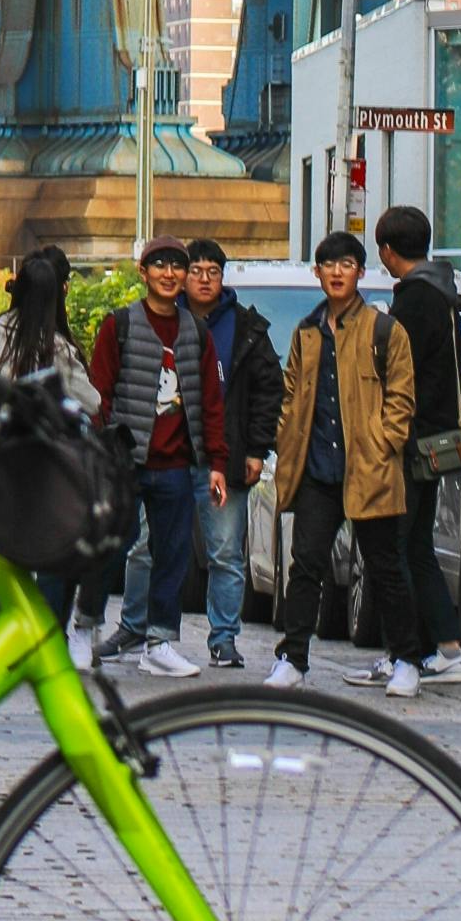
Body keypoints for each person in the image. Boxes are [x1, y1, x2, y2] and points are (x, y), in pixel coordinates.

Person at [264, 232, 420, 696]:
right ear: (318, 273)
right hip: (316, 467)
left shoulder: (384, 329)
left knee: (384, 565)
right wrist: (286, 433)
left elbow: (402, 398)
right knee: (305, 563)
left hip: (368, 466)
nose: (336, 272)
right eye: (328, 265)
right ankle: (293, 659)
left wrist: (382, 443)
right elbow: (290, 392)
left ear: (359, 272)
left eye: (346, 264)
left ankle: (407, 659)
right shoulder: (307, 331)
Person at [85, 237, 230, 680]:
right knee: (113, 546)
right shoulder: (120, 324)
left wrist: (217, 463)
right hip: (126, 459)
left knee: (172, 556)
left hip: (176, 463)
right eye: (160, 266)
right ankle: (84, 625)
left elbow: (209, 400)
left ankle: (159, 641)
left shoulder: (194, 331)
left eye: (177, 267)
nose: (170, 274)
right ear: (143, 272)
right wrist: (102, 448)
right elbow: (98, 392)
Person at [361, 204, 461, 685]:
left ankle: (404, 653)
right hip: (437, 439)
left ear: (387, 250)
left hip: (410, 442)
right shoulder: (443, 293)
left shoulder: (413, 301)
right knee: (417, 548)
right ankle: (446, 649)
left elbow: (398, 378)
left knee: (393, 549)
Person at [0, 253, 97, 641]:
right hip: (46, 467)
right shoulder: (57, 346)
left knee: (1, 555)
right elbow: (91, 401)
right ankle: (43, 637)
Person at [179, 239, 284, 671]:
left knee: (225, 552)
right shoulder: (165, 318)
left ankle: (224, 638)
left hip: (228, 455)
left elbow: (268, 391)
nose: (204, 279)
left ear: (223, 277)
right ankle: (151, 636)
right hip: (169, 454)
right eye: (196, 271)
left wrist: (257, 449)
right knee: (149, 549)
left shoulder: (247, 328)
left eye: (213, 272)